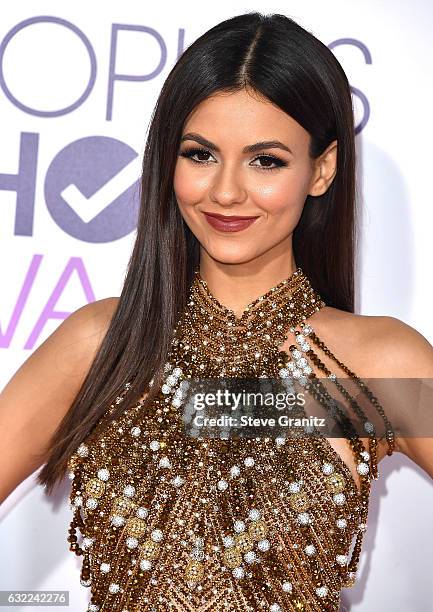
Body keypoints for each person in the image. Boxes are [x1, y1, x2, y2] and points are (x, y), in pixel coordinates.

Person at [1, 11, 432, 612]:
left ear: (322, 169)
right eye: (200, 154)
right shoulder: (103, 346)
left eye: (266, 161)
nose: (226, 191)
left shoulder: (376, 362)